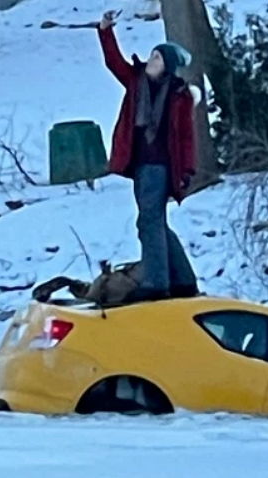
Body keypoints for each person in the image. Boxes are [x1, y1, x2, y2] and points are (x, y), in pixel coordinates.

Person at [98, 10, 200, 302]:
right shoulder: (135, 81)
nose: (151, 60)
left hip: (161, 166)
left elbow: (185, 136)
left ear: (166, 66)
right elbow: (113, 62)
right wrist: (105, 30)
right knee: (155, 222)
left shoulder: (178, 95)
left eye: (157, 58)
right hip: (140, 165)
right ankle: (183, 279)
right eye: (152, 55)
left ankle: (157, 282)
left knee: (148, 222)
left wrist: (187, 170)